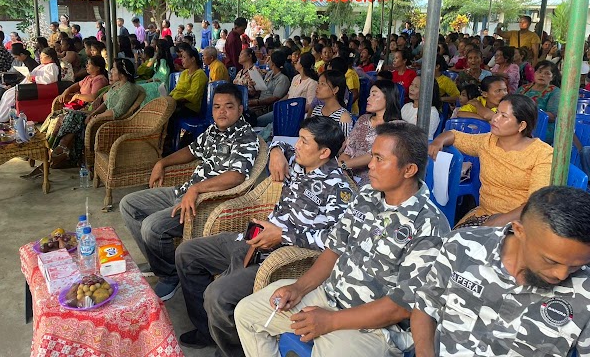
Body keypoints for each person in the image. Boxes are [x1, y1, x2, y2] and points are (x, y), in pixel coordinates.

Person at [235, 122, 451, 357]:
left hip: (376, 327)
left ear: (408, 170)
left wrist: (331, 321)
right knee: (247, 312)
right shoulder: (367, 195)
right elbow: (334, 250)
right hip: (328, 296)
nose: (370, 165)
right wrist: (299, 287)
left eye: (379, 159)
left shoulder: (429, 225)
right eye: (372, 157)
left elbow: (400, 306)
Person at [175, 116, 354, 354]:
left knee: (217, 296)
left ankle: (234, 349)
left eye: (304, 142)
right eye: (299, 139)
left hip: (279, 258)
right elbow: (279, 144)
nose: (297, 145)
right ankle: (207, 331)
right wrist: (278, 152)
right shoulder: (297, 159)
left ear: (324, 153)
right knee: (187, 253)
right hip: (251, 240)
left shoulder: (338, 188)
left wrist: (284, 235)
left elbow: (335, 240)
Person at [411, 185, 590, 357]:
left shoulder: (585, 294)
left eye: (576, 265)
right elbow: (427, 304)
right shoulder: (462, 246)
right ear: (519, 231)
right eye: (551, 261)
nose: (562, 274)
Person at [120, 83, 260, 299]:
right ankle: (159, 261)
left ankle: (170, 275)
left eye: (229, 106)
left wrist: (196, 190)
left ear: (240, 110)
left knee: (152, 227)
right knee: (128, 204)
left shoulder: (245, 137)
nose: (222, 112)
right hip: (185, 191)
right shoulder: (213, 130)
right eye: (216, 107)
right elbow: (190, 150)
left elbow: (236, 176)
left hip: (205, 202)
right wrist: (162, 163)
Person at [430, 94, 553, 228]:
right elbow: (454, 135)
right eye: (496, 112)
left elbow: (535, 204)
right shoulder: (487, 141)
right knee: (450, 244)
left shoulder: (542, 154)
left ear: (522, 125)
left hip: (519, 222)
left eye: (503, 116)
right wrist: (438, 141)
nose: (495, 118)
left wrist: (496, 222)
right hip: (484, 214)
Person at [50, 58, 139, 170]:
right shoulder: (116, 86)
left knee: (74, 117)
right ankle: (64, 150)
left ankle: (60, 149)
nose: (111, 71)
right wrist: (93, 113)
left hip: (112, 121)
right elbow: (105, 104)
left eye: (114, 68)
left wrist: (97, 117)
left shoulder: (129, 89)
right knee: (74, 116)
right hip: (102, 117)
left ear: (121, 73)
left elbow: (117, 111)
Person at [338, 80, 402, 186]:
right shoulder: (363, 119)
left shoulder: (395, 126)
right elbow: (348, 150)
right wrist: (340, 169)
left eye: (374, 95)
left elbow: (374, 155)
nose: (368, 98)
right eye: (369, 95)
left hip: (373, 179)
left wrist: (343, 165)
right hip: (348, 174)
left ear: (388, 98)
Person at [0, 48, 60, 123]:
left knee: (9, 97)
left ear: (50, 57)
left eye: (43, 56)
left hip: (36, 87)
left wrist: (33, 78)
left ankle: (1, 118)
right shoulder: (42, 66)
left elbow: (49, 79)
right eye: (40, 56)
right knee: (7, 94)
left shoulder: (52, 66)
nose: (40, 58)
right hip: (30, 84)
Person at [256, 52, 318, 127]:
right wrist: (279, 103)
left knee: (269, 126)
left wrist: (294, 109)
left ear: (302, 65)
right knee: (259, 121)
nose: (295, 62)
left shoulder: (312, 83)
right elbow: (289, 95)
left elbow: (310, 105)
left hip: (296, 114)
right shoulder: (296, 78)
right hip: (286, 109)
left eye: (298, 61)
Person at [517, 60, 561, 144]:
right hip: (519, 122)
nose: (542, 75)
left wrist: (529, 113)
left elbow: (552, 116)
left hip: (542, 127)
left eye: (547, 73)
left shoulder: (555, 91)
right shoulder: (524, 88)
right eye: (539, 72)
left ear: (553, 77)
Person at [311, 70, 353, 137]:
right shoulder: (317, 110)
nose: (318, 87)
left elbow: (344, 144)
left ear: (335, 90)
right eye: (318, 83)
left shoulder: (343, 116)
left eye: (323, 84)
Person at [169, 46, 208, 117]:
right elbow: (177, 89)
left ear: (192, 59)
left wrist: (176, 101)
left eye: (184, 57)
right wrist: (169, 97)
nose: (181, 60)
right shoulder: (184, 73)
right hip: (177, 103)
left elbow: (193, 96)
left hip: (189, 108)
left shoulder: (199, 74)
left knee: (168, 115)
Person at [248, 51, 290, 115]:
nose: (268, 61)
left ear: (273, 63)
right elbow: (262, 89)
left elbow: (275, 98)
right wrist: (254, 85)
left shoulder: (283, 79)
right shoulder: (269, 73)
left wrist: (257, 102)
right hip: (259, 102)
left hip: (266, 107)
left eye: (269, 59)